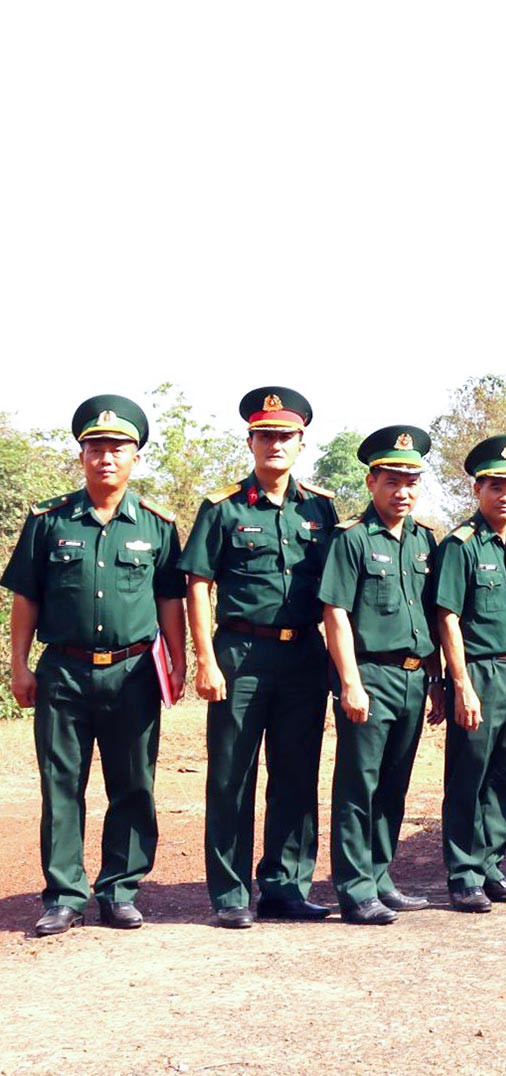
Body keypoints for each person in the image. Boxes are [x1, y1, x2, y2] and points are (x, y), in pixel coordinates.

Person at [4, 395, 186, 936]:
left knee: (134, 784)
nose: (106, 457)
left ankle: (120, 890)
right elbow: (25, 599)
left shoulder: (156, 525)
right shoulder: (48, 521)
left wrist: (178, 663)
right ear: (81, 455)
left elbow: (169, 600)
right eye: (96, 447)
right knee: (62, 784)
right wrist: (18, 665)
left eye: (118, 448)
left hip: (133, 674)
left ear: (135, 457)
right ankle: (64, 895)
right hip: (63, 671)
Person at [181, 386, 342, 929]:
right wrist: (205, 658)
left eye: (286, 436)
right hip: (240, 655)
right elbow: (198, 585)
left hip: (303, 658)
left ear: (301, 443)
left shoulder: (321, 509)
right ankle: (230, 894)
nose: (275, 443)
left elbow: (337, 593)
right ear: (251, 440)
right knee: (232, 776)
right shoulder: (222, 508)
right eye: (265, 435)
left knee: (297, 776)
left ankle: (285, 887)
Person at [318, 425, 439, 925]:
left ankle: (380, 875)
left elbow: (433, 615)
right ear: (372, 483)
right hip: (371, 675)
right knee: (358, 786)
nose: (402, 491)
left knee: (393, 785)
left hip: (413, 678)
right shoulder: (352, 539)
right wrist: (349, 681)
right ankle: (353, 888)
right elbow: (335, 612)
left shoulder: (424, 541)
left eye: (411, 481)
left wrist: (437, 680)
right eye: (392, 481)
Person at [429, 434, 506, 912]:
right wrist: (460, 685)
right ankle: (462, 873)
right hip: (479, 674)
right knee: (468, 777)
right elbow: (447, 618)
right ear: (478, 490)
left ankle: (491, 866)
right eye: (497, 487)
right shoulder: (462, 545)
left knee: (504, 776)